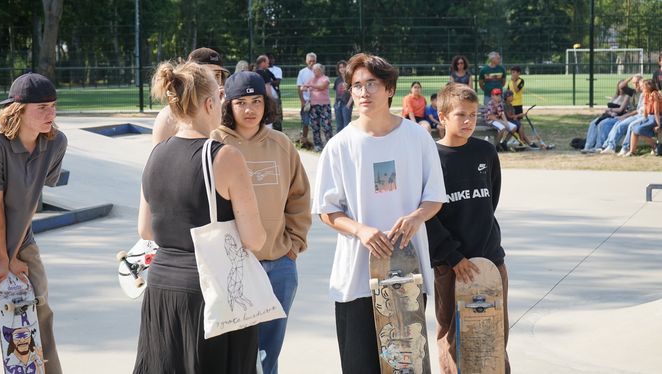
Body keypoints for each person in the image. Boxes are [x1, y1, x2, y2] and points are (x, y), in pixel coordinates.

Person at [311, 53, 446, 373]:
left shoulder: (417, 138)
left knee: (405, 367)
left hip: (406, 274)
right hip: (355, 278)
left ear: (389, 89)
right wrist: (361, 230)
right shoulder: (340, 145)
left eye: (371, 83)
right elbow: (327, 210)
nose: (363, 92)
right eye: (356, 85)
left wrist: (416, 217)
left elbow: (435, 197)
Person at [134, 61, 266, 373]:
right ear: (209, 104)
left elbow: (145, 229)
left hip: (162, 290)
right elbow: (254, 238)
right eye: (220, 99)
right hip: (212, 292)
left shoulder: (156, 154)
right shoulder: (225, 156)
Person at [211, 71, 312, 374]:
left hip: (278, 264)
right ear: (227, 106)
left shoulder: (281, 144)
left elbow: (299, 198)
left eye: (256, 101)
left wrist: (293, 247)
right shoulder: (214, 142)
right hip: (233, 268)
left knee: (269, 351)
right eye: (241, 103)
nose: (250, 110)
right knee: (233, 352)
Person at [0, 72, 66, 374]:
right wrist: (2, 260)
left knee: (40, 310)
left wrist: (13, 256)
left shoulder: (55, 142)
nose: (51, 114)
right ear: (18, 110)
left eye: (53, 105)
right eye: (42, 108)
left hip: (20, 232)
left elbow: (30, 200)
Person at [425, 82, 510, 374]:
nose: (468, 121)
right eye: (461, 114)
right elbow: (427, 216)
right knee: (452, 337)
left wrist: (486, 253)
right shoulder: (431, 158)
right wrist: (453, 257)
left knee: (494, 335)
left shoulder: (485, 152)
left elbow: (490, 199)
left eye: (473, 115)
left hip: (489, 261)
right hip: (451, 265)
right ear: (442, 116)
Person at [152, 47, 230, 146]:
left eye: (217, 75)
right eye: (208, 75)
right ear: (191, 78)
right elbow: (159, 158)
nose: (213, 81)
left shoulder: (230, 112)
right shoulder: (169, 115)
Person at [581, 79, 634, 153]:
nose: (621, 89)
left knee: (602, 124)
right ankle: (588, 146)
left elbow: (620, 110)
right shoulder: (615, 96)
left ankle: (599, 146)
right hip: (608, 114)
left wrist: (610, 110)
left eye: (623, 87)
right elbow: (609, 109)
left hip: (617, 115)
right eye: (619, 87)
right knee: (593, 123)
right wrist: (609, 110)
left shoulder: (627, 96)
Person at [600, 75, 644, 154]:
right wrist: (631, 77)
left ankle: (614, 146)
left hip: (633, 115)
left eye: (637, 83)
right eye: (634, 83)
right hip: (628, 115)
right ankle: (608, 146)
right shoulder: (632, 92)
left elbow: (639, 110)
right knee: (614, 123)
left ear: (641, 83)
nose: (636, 85)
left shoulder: (643, 93)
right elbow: (621, 86)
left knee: (616, 124)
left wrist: (624, 116)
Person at [301, 63, 333, 152]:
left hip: (324, 106)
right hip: (314, 106)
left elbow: (322, 86)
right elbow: (302, 88)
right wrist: (306, 87)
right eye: (313, 70)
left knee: (326, 126)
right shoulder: (312, 79)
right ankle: (318, 145)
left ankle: (330, 145)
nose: (314, 72)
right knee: (315, 126)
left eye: (316, 70)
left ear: (321, 70)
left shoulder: (325, 78)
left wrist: (310, 87)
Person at [625, 79, 661, 156]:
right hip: (649, 117)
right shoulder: (646, 94)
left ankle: (655, 146)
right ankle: (632, 152)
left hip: (656, 117)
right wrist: (644, 119)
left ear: (648, 87)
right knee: (634, 128)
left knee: (638, 130)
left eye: (643, 87)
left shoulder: (654, 94)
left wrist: (659, 125)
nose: (642, 88)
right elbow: (645, 109)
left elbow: (656, 112)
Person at [296, 52, 317, 147]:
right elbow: (299, 87)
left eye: (313, 61)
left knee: (316, 123)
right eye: (310, 61)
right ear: (306, 61)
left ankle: (317, 141)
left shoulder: (318, 71)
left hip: (317, 101)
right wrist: (302, 101)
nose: (311, 63)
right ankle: (304, 141)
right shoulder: (302, 72)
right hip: (306, 101)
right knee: (305, 122)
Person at [255, 55, 280, 129]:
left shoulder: (255, 72)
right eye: (267, 63)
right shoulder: (263, 73)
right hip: (266, 98)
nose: (268, 65)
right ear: (262, 63)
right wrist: (272, 99)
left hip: (257, 99)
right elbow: (267, 87)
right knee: (268, 119)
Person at [333, 60, 353, 132]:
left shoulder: (350, 79)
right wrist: (335, 103)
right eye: (340, 67)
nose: (342, 69)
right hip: (338, 104)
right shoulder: (337, 80)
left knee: (346, 125)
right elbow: (336, 93)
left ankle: (347, 142)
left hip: (346, 104)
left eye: (344, 67)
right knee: (339, 126)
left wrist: (348, 104)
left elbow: (353, 93)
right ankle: (339, 142)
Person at [267, 53, 284, 132]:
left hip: (275, 97)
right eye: (269, 58)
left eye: (272, 58)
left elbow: (277, 82)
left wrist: (267, 81)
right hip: (265, 97)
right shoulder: (261, 70)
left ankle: (279, 135)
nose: (271, 60)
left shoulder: (277, 69)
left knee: (277, 118)